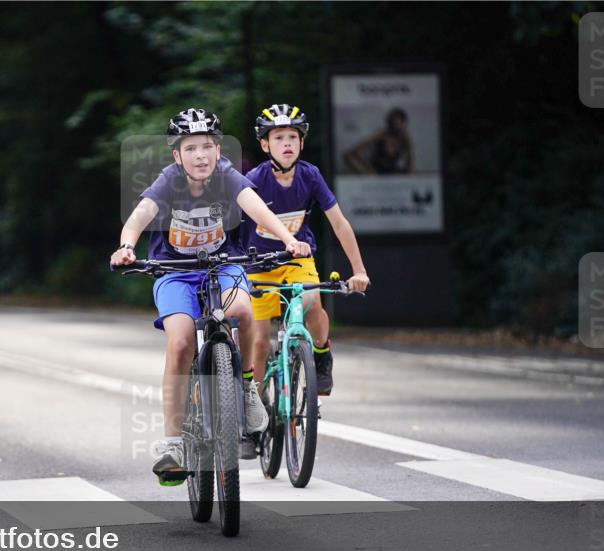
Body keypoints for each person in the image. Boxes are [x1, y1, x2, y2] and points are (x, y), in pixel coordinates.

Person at [109, 108, 310, 485]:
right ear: (177, 155)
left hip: (223, 265)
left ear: (218, 151)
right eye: (191, 148)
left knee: (244, 311)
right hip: (175, 274)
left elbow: (257, 207)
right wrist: (126, 246)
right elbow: (140, 215)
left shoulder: (226, 176)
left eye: (207, 147)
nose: (200, 155)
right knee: (182, 340)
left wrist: (288, 239)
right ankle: (173, 445)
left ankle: (247, 388)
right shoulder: (168, 181)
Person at [244, 104, 370, 410]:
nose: (287, 143)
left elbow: (339, 223)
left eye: (292, 137)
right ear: (264, 145)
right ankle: (255, 411)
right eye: (278, 138)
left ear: (302, 142)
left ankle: (321, 354)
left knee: (312, 301)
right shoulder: (254, 179)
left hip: (297, 259)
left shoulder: (310, 175)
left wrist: (359, 270)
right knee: (259, 343)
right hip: (259, 265)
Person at [343, 107, 414, 175]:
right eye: (393, 123)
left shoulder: (404, 138)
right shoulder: (382, 134)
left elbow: (409, 161)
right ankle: (370, 175)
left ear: (403, 124)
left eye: (398, 124)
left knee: (410, 171)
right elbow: (357, 149)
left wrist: (408, 143)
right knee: (348, 156)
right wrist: (363, 161)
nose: (395, 126)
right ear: (389, 123)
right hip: (375, 171)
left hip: (392, 170)